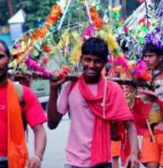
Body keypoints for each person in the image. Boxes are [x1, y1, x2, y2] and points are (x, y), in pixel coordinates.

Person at [47, 37, 139, 168]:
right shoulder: (70, 86)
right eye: (87, 60)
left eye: (97, 61)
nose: (91, 65)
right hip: (74, 163)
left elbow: (130, 125)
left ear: (104, 63)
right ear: (81, 59)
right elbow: (52, 124)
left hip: (103, 163)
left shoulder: (112, 89)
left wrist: (134, 153)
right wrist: (53, 89)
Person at [0, 39, 47, 168]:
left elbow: (39, 130)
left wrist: (37, 156)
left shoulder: (23, 94)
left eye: (0, 57)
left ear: (9, 58)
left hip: (15, 163)